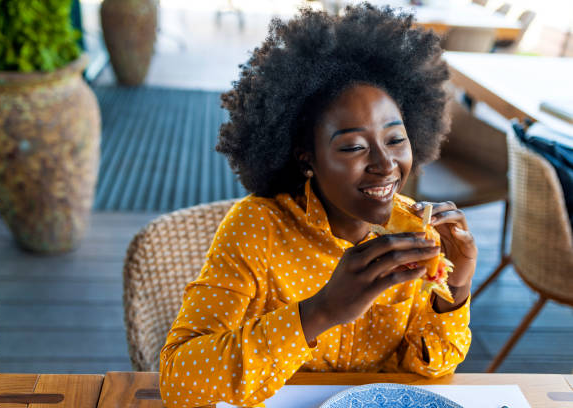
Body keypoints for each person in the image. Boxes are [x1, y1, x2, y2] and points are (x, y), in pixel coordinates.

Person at [160, 4, 477, 407]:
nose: (385, 165)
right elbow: (178, 381)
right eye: (353, 147)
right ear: (306, 157)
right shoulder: (258, 227)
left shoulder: (417, 230)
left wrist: (455, 286)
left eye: (396, 140)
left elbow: (429, 369)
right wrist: (321, 312)